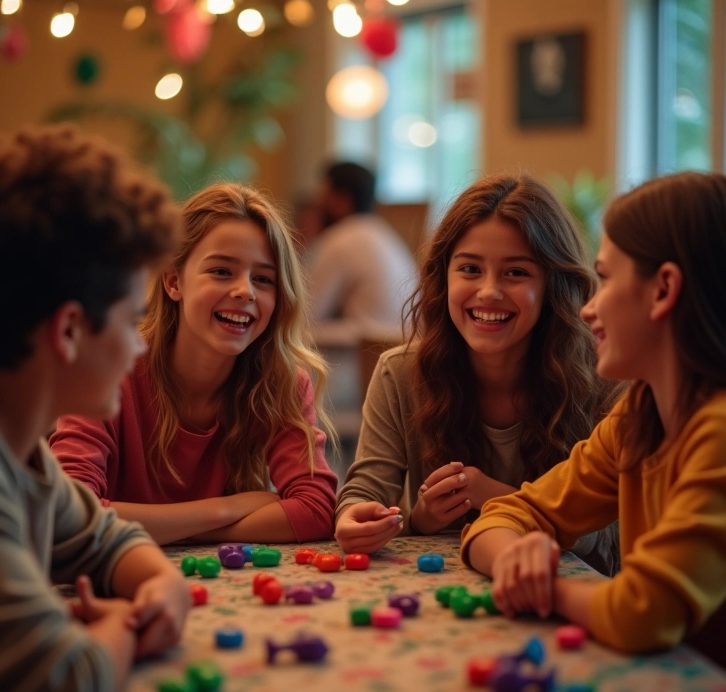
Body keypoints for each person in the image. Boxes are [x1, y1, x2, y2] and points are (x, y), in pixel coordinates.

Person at [0, 124, 191, 692]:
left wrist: (161, 584)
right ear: (67, 330)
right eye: (128, 319)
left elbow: (103, 538)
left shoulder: (9, 440)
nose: (140, 343)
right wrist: (121, 627)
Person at [462, 172, 726, 667]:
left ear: (664, 289)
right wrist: (515, 558)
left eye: (604, 279)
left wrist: (545, 590)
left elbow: (640, 613)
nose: (588, 309)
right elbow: (510, 514)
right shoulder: (638, 415)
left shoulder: (717, 431)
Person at [335, 174, 622, 578]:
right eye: (470, 268)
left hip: (562, 596)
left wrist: (496, 498)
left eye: (516, 273)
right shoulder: (399, 373)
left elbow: (609, 540)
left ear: (553, 284)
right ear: (443, 277)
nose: (488, 291)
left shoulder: (604, 381)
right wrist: (399, 519)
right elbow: (364, 493)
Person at [50, 183, 338, 546]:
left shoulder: (280, 382)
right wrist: (225, 509)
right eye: (221, 271)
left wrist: (174, 531)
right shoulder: (106, 372)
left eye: (263, 279)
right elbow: (68, 514)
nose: (245, 291)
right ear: (173, 281)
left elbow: (316, 510)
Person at [307, 160, 418, 346]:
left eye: (323, 195)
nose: (318, 203)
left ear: (340, 200)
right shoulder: (384, 234)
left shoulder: (339, 239)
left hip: (362, 360)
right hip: (402, 350)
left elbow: (305, 315)